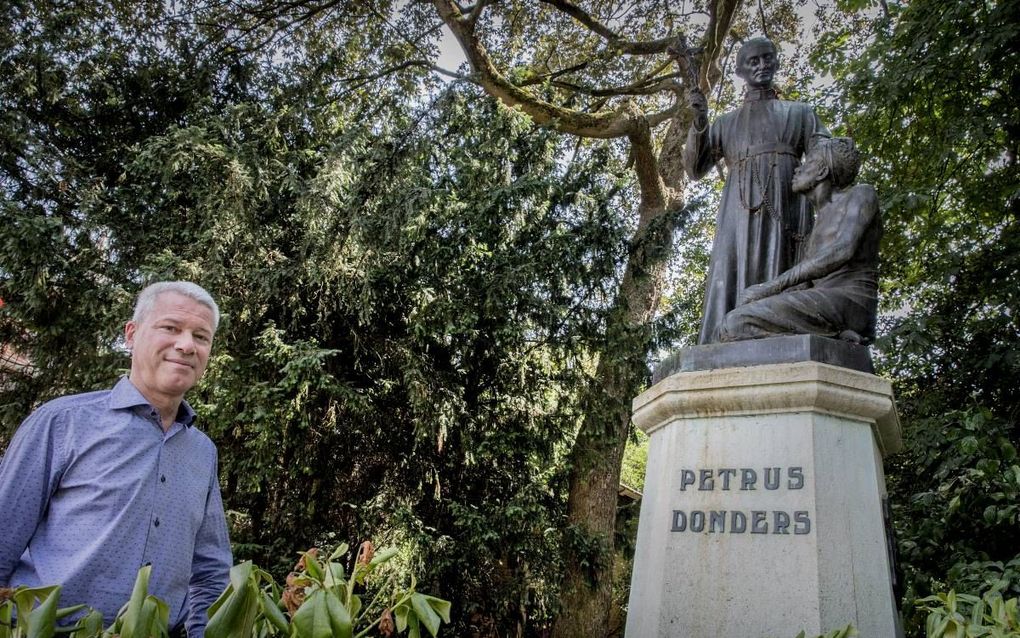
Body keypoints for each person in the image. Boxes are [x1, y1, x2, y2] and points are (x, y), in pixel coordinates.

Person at [0, 281, 232, 638]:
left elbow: (210, 568)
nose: (186, 345)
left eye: (201, 337)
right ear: (132, 335)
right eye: (170, 328)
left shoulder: (202, 452)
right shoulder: (63, 423)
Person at [683, 36, 830, 343]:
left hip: (789, 205)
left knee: (788, 269)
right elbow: (695, 169)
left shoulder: (800, 112)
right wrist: (699, 121)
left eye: (767, 58)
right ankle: (729, 334)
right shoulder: (725, 123)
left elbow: (826, 156)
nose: (762, 65)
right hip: (739, 210)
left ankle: (785, 329)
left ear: (776, 62)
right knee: (735, 268)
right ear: (739, 71)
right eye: (753, 61)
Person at [718, 137, 880, 343]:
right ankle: (830, 337)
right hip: (823, 303)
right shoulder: (814, 228)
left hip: (851, 301)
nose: (797, 170)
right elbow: (804, 286)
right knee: (734, 324)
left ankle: (833, 334)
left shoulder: (861, 194)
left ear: (822, 172)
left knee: (736, 323)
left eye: (808, 163)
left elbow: (842, 250)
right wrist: (759, 296)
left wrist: (773, 286)